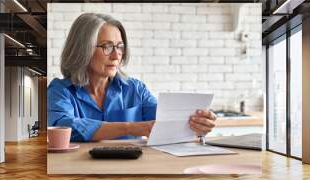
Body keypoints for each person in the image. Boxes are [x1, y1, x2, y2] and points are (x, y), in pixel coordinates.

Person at [47, 13, 217, 142]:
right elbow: (62, 127)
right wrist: (131, 127)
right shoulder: (60, 91)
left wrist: (196, 125)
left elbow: (166, 121)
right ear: (82, 49)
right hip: (79, 176)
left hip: (133, 174)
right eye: (107, 47)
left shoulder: (136, 89)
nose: (116, 56)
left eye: (120, 47)